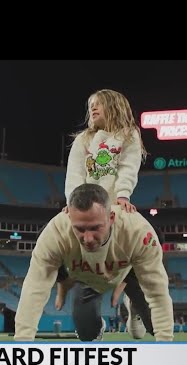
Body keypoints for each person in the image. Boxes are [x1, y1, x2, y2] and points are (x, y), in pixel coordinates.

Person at [14, 183, 173, 342]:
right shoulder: (55, 233)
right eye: (80, 229)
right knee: (87, 334)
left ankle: (133, 304)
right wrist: (22, 342)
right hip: (87, 278)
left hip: (128, 272)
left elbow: (158, 293)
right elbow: (34, 287)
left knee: (155, 326)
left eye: (95, 228)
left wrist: (165, 343)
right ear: (69, 218)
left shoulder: (137, 231)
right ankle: (97, 325)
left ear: (111, 218)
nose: (88, 239)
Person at [55, 89, 146, 313]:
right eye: (90, 106)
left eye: (98, 104)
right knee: (51, 237)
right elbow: (75, 174)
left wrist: (124, 195)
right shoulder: (83, 140)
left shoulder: (128, 134)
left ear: (114, 106)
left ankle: (127, 290)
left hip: (114, 206)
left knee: (148, 239)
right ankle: (63, 281)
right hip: (87, 207)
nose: (92, 108)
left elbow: (128, 167)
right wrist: (73, 202)